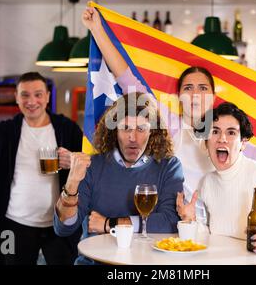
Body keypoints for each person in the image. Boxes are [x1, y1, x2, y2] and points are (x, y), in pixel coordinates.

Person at [81, 5, 256, 223]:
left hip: (220, 226)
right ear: (178, 96)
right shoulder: (169, 123)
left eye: (203, 88)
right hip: (174, 224)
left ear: (214, 96)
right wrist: (97, 30)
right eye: (188, 88)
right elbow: (128, 80)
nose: (195, 94)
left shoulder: (225, 136)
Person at [0, 72, 83, 265]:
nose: (32, 101)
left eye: (38, 94)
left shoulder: (66, 128)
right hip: (13, 224)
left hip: (58, 225)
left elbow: (89, 162)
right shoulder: (6, 130)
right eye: (25, 95)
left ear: (47, 97)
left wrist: (74, 161)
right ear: (17, 98)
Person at [54, 92, 184, 264]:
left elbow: (170, 222)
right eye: (126, 128)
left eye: (141, 129)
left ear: (152, 131)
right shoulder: (93, 166)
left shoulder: (169, 166)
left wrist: (110, 224)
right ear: (114, 130)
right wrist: (72, 182)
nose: (133, 138)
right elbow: (64, 228)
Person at [177, 102, 256, 264]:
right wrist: (191, 220)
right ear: (206, 142)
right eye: (215, 132)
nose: (222, 139)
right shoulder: (207, 183)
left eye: (231, 133)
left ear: (243, 143)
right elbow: (211, 237)